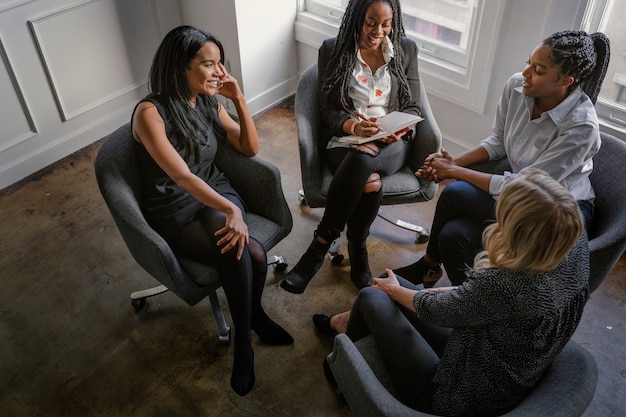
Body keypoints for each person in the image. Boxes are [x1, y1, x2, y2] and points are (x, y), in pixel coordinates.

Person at [318, 168, 590, 416]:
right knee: (389, 288)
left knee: (373, 293)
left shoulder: (506, 283)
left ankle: (342, 367)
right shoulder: (575, 248)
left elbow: (439, 310)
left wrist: (394, 290)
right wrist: (458, 294)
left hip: (455, 396)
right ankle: (346, 327)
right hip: (507, 363)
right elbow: (484, 305)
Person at [131, 25, 293, 396]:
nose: (220, 72)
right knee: (244, 249)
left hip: (215, 191)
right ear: (180, 66)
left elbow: (249, 148)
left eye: (221, 64)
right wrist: (232, 212)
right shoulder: (149, 114)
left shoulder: (207, 100)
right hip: (175, 206)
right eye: (210, 64)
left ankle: (252, 323)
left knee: (242, 248)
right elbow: (182, 176)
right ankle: (246, 342)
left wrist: (239, 100)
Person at [393, 30, 610, 287]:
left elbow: (524, 186)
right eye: (528, 62)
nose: (526, 74)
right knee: (452, 236)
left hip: (556, 212)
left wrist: (453, 171)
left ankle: (434, 273)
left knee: (454, 193)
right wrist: (451, 163)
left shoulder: (581, 126)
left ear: (565, 82)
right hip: (519, 192)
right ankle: (461, 295)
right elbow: (497, 142)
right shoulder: (517, 87)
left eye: (538, 70)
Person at [280, 0, 423, 294]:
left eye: (386, 24)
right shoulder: (333, 50)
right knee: (368, 178)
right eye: (371, 22)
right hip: (345, 140)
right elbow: (328, 109)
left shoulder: (405, 50)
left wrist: (396, 128)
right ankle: (358, 246)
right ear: (357, 16)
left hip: (391, 144)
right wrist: (355, 127)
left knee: (364, 157)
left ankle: (318, 248)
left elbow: (412, 106)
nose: (378, 31)